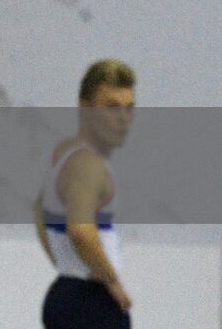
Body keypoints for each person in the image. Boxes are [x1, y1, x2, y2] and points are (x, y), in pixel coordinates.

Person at [34, 59, 136, 329]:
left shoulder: (64, 155)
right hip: (90, 302)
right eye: (112, 107)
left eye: (129, 108)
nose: (123, 118)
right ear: (86, 109)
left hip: (68, 292)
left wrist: (66, 265)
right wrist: (112, 282)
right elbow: (80, 230)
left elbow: (39, 213)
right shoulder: (88, 165)